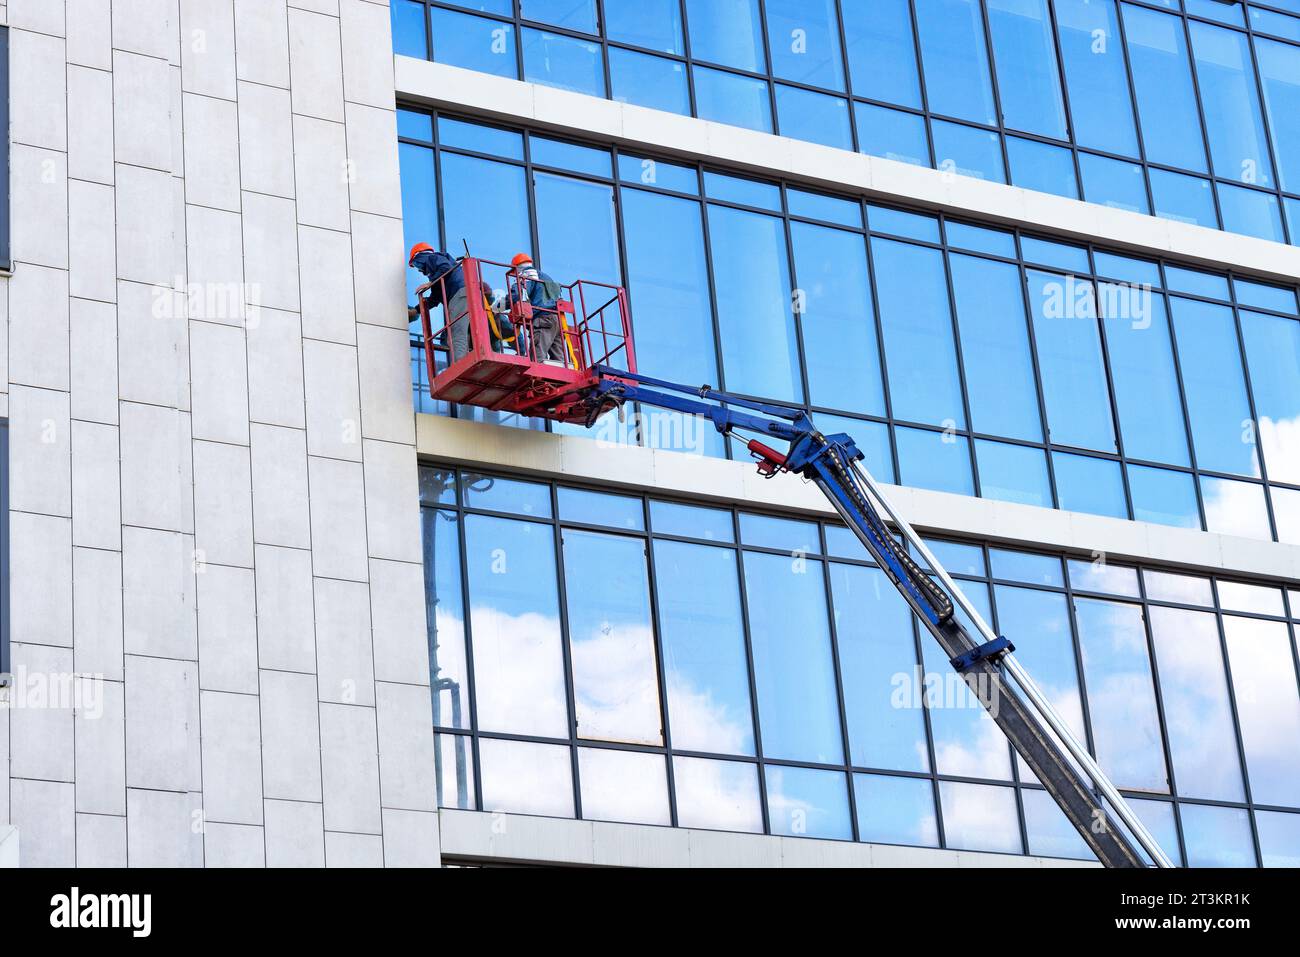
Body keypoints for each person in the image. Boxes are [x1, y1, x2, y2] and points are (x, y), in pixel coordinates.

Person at [408, 242, 472, 363]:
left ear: (419, 257)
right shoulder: (436, 272)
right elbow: (435, 297)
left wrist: (429, 283)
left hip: (459, 294)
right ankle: (464, 360)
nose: (419, 270)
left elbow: (445, 267)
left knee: (456, 331)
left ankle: (460, 364)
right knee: (452, 334)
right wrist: (416, 310)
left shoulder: (432, 258)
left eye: (416, 265)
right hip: (462, 295)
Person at [509, 253, 568, 364]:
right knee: (559, 361)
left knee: (536, 358)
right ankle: (556, 381)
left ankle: (535, 380)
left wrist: (503, 304)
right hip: (557, 320)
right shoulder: (545, 276)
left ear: (517, 268)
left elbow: (518, 294)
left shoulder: (528, 273)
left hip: (543, 320)